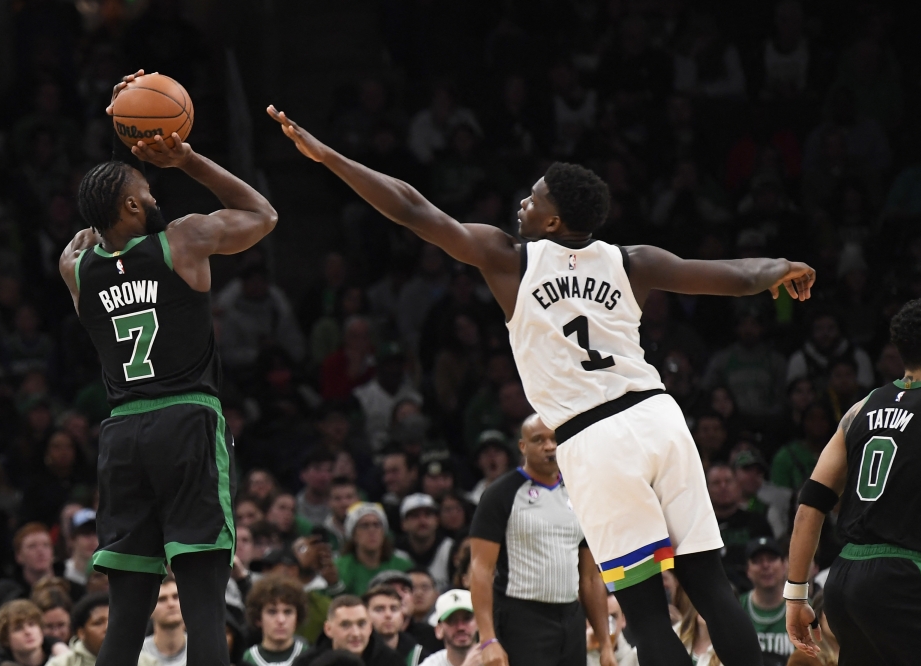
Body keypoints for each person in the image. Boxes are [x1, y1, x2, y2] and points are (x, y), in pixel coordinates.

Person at [269, 104, 815, 666]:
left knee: (647, 614)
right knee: (711, 584)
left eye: (534, 199)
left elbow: (412, 208)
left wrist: (329, 157)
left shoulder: (509, 259)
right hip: (659, 417)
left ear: (553, 222)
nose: (523, 204)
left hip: (596, 440)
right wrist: (783, 265)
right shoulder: (632, 261)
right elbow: (736, 276)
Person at [60, 70, 278, 666]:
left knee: (126, 617)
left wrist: (120, 132)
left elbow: (93, 225)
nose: (158, 195)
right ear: (134, 204)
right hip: (186, 421)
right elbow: (262, 213)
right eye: (147, 190)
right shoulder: (183, 241)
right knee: (203, 602)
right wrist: (183, 158)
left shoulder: (74, 264)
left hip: (122, 434)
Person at [786, 297, 921, 663]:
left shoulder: (861, 408)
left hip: (844, 577)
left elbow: (811, 504)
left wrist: (797, 595)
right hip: (905, 576)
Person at [468, 414, 614, 666]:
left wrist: (606, 644)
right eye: (539, 440)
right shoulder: (500, 494)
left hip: (571, 617)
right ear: (523, 446)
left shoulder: (580, 493)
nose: (549, 446)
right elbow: (481, 569)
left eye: (555, 439)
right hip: (521, 617)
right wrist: (488, 639)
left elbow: (590, 577)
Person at [707, 463, 774, 591]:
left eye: (728, 481)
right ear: (707, 489)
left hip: (752, 588)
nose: (723, 487)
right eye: (716, 483)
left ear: (738, 486)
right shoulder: (700, 527)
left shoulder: (757, 522)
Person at [46, 593, 155, 666]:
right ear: (81, 633)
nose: (108, 627)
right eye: (98, 623)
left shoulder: (147, 663)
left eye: (113, 621)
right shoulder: (61, 664)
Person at [294, 596, 404, 666]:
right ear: (328, 629)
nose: (355, 633)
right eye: (345, 625)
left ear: (370, 627)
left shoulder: (391, 661)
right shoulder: (307, 663)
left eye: (361, 624)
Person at [334, 503, 412, 595]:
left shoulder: (402, 565)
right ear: (353, 535)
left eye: (377, 525)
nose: (372, 530)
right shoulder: (340, 567)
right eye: (365, 525)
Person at [739, 538, 794, 664]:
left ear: (784, 565)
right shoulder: (737, 608)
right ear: (747, 570)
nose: (765, 565)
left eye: (771, 559)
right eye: (757, 561)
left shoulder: (805, 608)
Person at [242, 576, 310, 666]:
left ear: (297, 617)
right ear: (258, 618)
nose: (281, 620)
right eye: (272, 612)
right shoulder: (246, 659)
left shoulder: (310, 656)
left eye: (288, 612)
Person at [395, 495, 454, 592]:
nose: (422, 521)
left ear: (437, 520)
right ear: (403, 523)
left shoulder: (450, 549)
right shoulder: (396, 553)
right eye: (415, 516)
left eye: (428, 515)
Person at [0, 600, 65, 666]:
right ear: (5, 638)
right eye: (18, 628)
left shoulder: (62, 658)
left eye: (32, 624)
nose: (28, 632)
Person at [362, 586, 423, 665]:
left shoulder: (419, 656)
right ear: (365, 615)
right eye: (379, 609)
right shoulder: (357, 653)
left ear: (402, 615)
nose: (388, 615)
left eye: (394, 609)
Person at [420, 590, 481, 666]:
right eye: (451, 620)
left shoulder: (493, 658)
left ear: (479, 623)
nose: (460, 627)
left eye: (467, 619)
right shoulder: (431, 664)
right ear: (438, 630)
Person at [139, 576, 186, 666]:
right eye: (162, 599)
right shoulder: (137, 654)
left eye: (176, 597)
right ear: (150, 608)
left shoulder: (201, 650)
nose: (171, 604)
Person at [784, 592, 837, 666]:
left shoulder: (856, 654)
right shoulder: (801, 659)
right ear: (818, 617)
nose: (838, 618)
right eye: (831, 611)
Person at [585, 595, 638, 666]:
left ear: (623, 619)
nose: (606, 626)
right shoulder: (574, 654)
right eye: (597, 618)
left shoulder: (637, 657)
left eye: (613, 616)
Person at [297, 450, 336, 526]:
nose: (324, 476)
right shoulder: (294, 508)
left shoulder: (342, 507)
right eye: (317, 469)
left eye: (329, 470)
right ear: (303, 474)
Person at [62, 510, 98, 590]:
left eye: (97, 533)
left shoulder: (108, 576)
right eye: (85, 533)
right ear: (71, 539)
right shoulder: (61, 573)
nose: (92, 539)